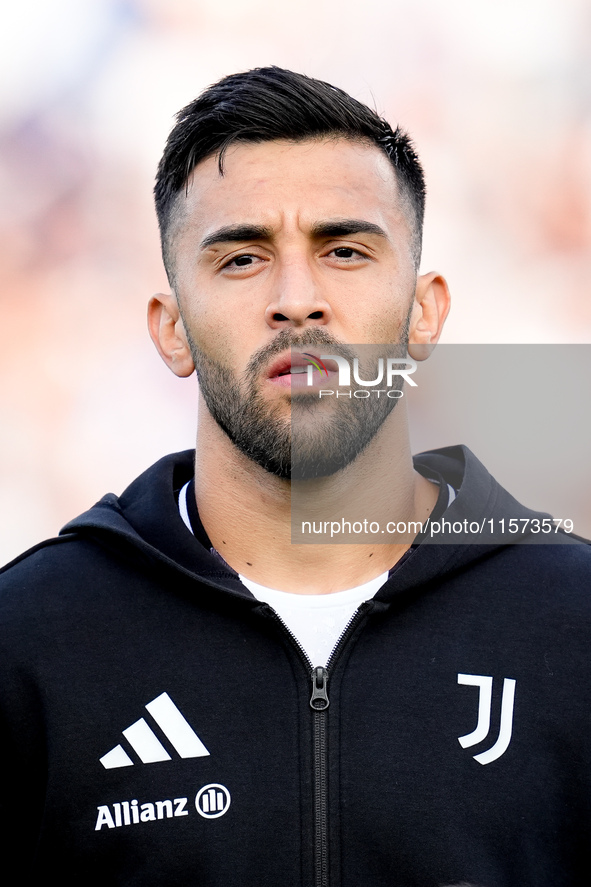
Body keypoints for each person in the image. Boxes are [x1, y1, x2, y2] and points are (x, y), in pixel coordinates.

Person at [0, 66, 590, 887]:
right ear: (170, 332)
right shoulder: (28, 644)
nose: (296, 299)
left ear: (424, 313)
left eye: (343, 250)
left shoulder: (573, 622)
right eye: (241, 258)